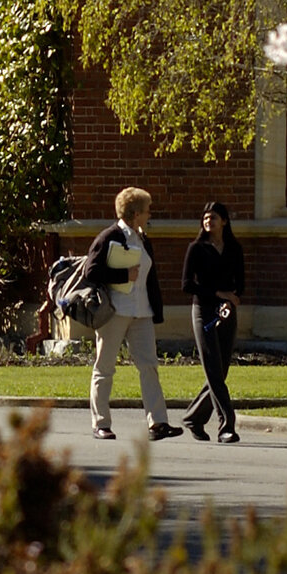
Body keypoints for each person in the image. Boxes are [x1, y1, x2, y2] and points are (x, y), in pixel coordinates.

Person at [88, 187, 182, 443]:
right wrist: (123, 275)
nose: (150, 214)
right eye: (147, 210)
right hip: (115, 312)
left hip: (142, 312)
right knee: (105, 367)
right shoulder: (109, 236)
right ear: (135, 213)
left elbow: (150, 278)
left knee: (149, 366)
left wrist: (157, 309)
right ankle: (101, 424)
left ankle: (158, 423)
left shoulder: (143, 238)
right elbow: (91, 272)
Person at [180, 199, 246, 443]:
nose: (208, 221)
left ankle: (193, 417)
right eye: (205, 217)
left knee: (221, 370)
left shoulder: (234, 248)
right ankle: (226, 425)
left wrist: (232, 299)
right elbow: (187, 285)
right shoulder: (196, 248)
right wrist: (219, 294)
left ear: (224, 221)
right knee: (213, 369)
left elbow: (241, 283)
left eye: (213, 217)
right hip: (204, 311)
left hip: (226, 311)